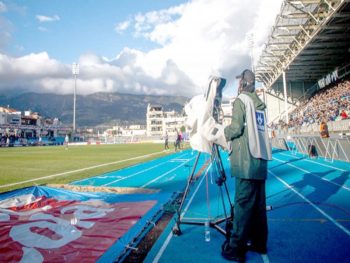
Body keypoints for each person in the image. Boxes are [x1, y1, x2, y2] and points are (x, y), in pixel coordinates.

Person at [222, 69, 271, 262]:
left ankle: (236, 248)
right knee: (258, 207)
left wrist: (221, 133)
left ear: (243, 83)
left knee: (243, 205)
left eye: (239, 81)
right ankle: (259, 243)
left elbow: (235, 128)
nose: (238, 85)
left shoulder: (241, 100)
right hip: (260, 163)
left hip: (246, 161)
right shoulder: (259, 104)